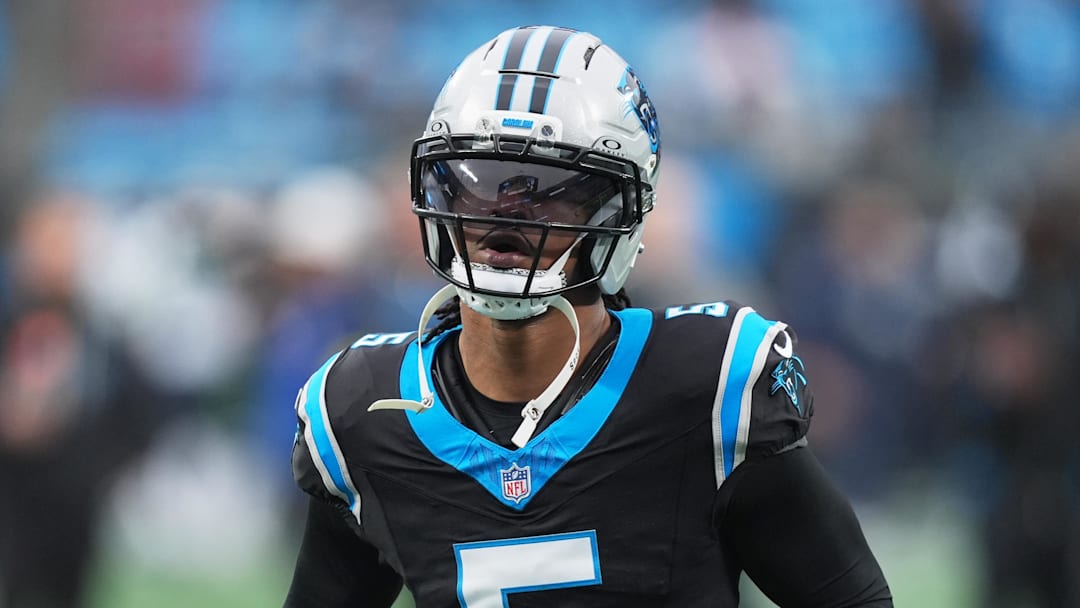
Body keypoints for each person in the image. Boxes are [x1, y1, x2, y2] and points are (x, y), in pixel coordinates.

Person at [285, 25, 892, 607]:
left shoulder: (706, 385)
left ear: (619, 214)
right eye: (480, 181)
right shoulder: (362, 411)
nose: (505, 218)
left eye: (549, 189)